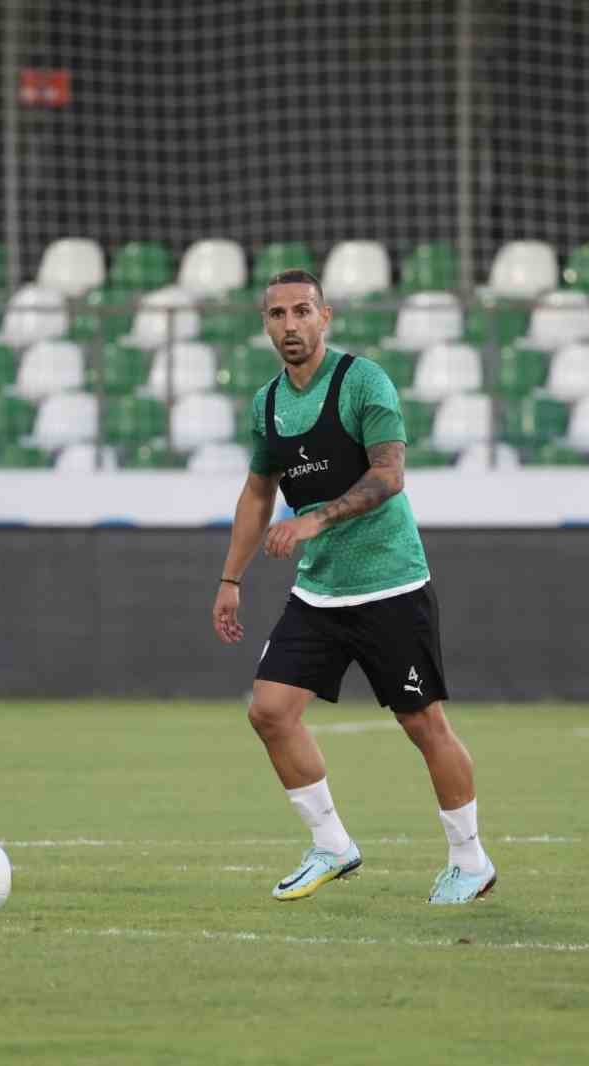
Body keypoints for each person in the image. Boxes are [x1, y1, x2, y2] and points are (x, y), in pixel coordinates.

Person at [211, 268, 494, 905]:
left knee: (424, 726)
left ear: (325, 316)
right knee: (270, 711)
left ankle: (470, 860)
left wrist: (315, 517)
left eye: (302, 311)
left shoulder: (362, 382)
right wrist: (231, 578)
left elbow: (389, 474)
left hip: (390, 584)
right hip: (320, 592)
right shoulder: (267, 405)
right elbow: (258, 493)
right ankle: (333, 846)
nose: (291, 325)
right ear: (265, 324)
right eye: (278, 314)